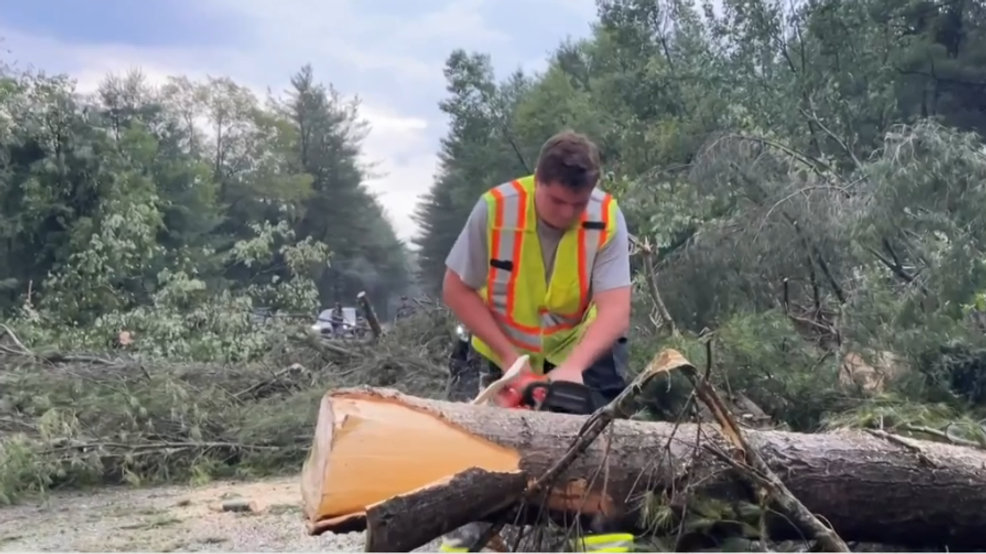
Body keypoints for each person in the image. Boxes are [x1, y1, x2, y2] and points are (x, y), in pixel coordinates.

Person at [439, 130, 635, 553]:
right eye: (556, 201)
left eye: (576, 204)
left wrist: (573, 369)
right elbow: (456, 289)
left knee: (605, 449)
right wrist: (514, 366)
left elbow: (616, 310)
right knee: (479, 456)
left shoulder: (607, 217)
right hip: (503, 348)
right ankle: (467, 540)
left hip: (579, 348)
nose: (567, 213)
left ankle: (604, 541)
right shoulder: (495, 208)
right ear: (537, 182)